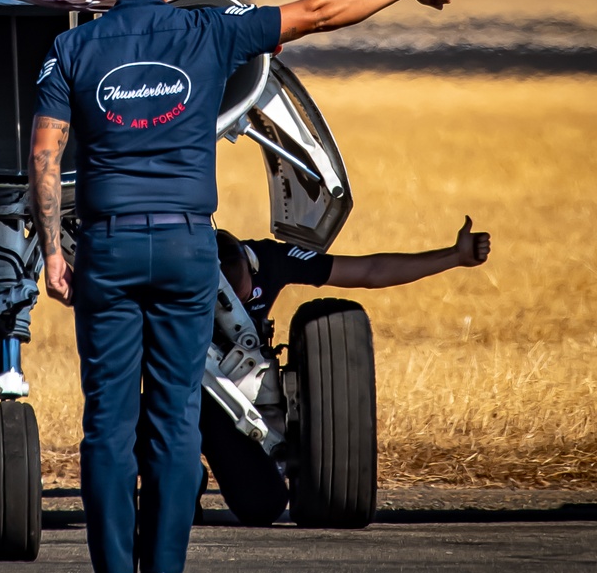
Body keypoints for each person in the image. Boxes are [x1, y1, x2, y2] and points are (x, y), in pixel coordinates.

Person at [28, 0, 452, 573]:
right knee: (174, 420)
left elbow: (45, 156)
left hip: (108, 245)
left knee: (107, 422)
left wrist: (51, 249)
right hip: (189, 248)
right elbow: (318, 11)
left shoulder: (70, 53)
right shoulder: (210, 32)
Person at [201, 219, 492, 523]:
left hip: (225, 410)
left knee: (263, 506)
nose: (240, 301)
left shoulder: (267, 258)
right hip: (180, 398)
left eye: (244, 296)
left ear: (251, 269)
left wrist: (455, 256)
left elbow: (370, 271)